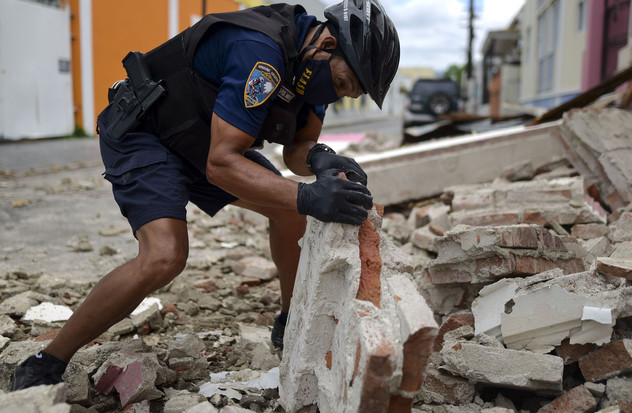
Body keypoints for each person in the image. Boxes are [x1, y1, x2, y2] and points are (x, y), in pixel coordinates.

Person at [11, 0, 399, 391]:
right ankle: (46, 361)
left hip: (204, 141)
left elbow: (298, 146)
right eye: (344, 84)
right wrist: (310, 195)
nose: (338, 96)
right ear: (328, 44)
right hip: (148, 132)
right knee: (164, 256)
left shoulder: (312, 70)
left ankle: (289, 320)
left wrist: (321, 159)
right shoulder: (258, 50)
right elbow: (222, 165)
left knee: (290, 212)